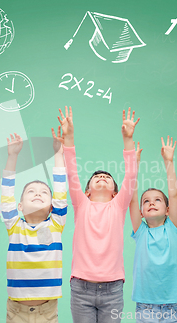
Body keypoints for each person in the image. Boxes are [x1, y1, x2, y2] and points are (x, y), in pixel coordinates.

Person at [56, 106, 139, 322]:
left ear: (115, 192)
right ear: (86, 191)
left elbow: (131, 176)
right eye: (97, 177)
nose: (102, 177)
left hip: (112, 289)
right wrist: (69, 137)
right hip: (81, 287)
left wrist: (128, 139)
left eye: (107, 177)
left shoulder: (119, 206)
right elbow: (71, 172)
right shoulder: (81, 204)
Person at [0, 132, 67, 323]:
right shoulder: (14, 226)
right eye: (31, 191)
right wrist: (12, 157)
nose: (37, 194)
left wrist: (58, 155)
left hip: (47, 310)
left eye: (44, 192)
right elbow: (6, 196)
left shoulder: (55, 224)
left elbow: (61, 193)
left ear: (52, 206)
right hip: (16, 311)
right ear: (19, 206)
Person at [129, 136, 177, 323]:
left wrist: (168, 162)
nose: (151, 202)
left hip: (172, 305)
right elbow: (132, 197)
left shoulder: (172, 227)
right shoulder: (141, 231)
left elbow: (174, 194)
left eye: (157, 200)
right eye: (146, 201)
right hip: (145, 305)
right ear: (141, 212)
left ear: (168, 210)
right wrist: (133, 166)